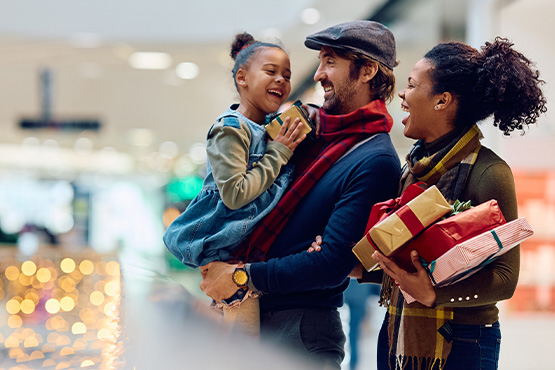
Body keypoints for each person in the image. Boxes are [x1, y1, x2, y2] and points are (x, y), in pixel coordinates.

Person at [199, 20, 402, 369]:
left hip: (301, 329)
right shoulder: (310, 134)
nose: (319, 74)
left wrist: (242, 275)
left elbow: (329, 264)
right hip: (252, 313)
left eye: (331, 62)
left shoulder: (376, 158)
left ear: (367, 70)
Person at [358, 38, 547, 370]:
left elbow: (506, 277)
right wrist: (360, 268)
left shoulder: (490, 172)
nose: (402, 94)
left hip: (463, 341)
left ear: (442, 101)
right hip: (398, 332)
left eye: (413, 85)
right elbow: (417, 269)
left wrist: (434, 295)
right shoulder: (413, 169)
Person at [163, 32, 307, 334]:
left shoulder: (267, 131)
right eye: (271, 71)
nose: (281, 80)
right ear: (242, 77)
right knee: (243, 347)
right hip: (226, 254)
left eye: (287, 75)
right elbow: (235, 194)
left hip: (247, 254)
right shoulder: (230, 129)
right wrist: (278, 153)